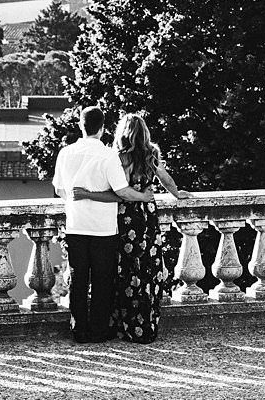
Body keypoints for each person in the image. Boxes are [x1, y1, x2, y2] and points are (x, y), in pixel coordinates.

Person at [74, 113, 186, 343]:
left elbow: (120, 191)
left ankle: (120, 324)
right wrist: (177, 193)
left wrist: (87, 194)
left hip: (123, 217)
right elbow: (164, 177)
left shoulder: (117, 156)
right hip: (146, 217)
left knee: (122, 269)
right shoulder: (151, 154)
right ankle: (144, 324)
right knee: (146, 268)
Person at [51, 106, 153, 343]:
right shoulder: (108, 155)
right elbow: (122, 192)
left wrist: (76, 201)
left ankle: (78, 329)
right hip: (103, 228)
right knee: (102, 280)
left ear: (81, 125)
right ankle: (98, 330)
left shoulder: (65, 153)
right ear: (103, 128)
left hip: (76, 224)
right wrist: (142, 196)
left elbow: (59, 189)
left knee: (78, 280)